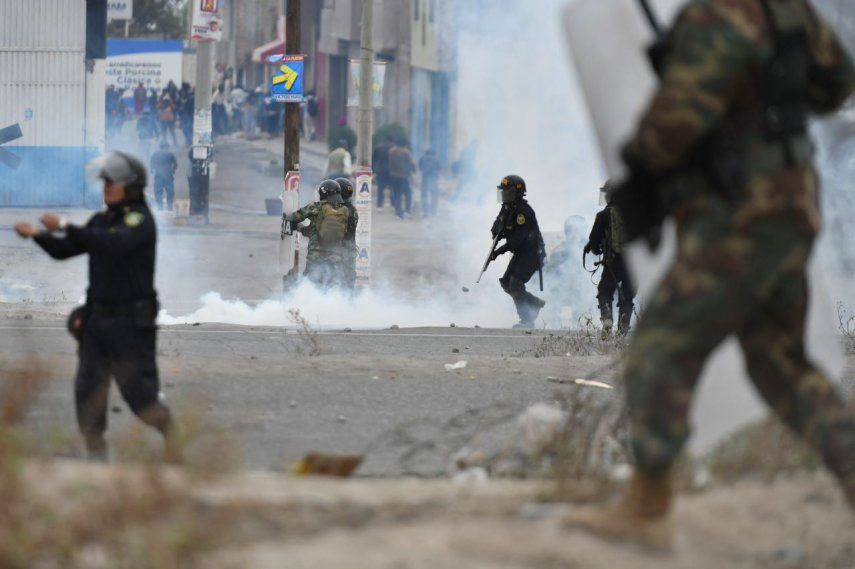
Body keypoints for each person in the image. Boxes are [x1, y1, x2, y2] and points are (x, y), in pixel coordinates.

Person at [563, 0, 855, 548]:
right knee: (781, 366)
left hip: (740, 219)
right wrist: (766, 96)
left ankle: (646, 512)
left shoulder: (716, 16)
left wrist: (641, 165)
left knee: (658, 349)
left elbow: (676, 121)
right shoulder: (789, 14)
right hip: (793, 207)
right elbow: (837, 84)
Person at [13, 151, 179, 463]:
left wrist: (64, 223)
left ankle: (172, 436)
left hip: (131, 324)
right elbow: (66, 249)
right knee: (88, 390)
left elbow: (111, 244)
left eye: (112, 182)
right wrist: (38, 236)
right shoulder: (102, 221)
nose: (106, 187)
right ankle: (96, 453)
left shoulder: (140, 220)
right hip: (98, 322)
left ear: (130, 186)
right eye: (103, 182)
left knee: (139, 396)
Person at [489, 175, 546, 328]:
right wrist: (496, 230)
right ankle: (534, 302)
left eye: (506, 191)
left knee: (515, 284)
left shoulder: (524, 212)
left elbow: (518, 239)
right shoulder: (507, 208)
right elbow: (498, 222)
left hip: (533, 253)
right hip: (521, 252)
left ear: (516, 192)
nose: (503, 194)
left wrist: (499, 251)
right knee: (506, 282)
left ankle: (527, 319)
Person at [584, 187, 636, 337]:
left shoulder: (603, 215)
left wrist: (595, 248)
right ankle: (623, 328)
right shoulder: (636, 213)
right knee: (627, 296)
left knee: (605, 292)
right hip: (634, 264)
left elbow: (594, 241)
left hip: (614, 262)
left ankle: (607, 319)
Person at [285, 180, 352, 290]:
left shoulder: (317, 207)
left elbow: (295, 217)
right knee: (333, 286)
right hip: (335, 256)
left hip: (316, 255)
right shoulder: (344, 210)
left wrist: (292, 223)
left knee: (308, 284)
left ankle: (304, 303)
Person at [336, 177, 360, 290]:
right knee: (347, 283)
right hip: (350, 252)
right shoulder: (352, 209)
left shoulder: (340, 211)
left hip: (340, 252)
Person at [388, 139, 416, 219]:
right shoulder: (405, 151)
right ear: (404, 144)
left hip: (394, 176)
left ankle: (398, 214)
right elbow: (411, 162)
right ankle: (407, 211)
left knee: (397, 195)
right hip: (404, 176)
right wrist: (414, 170)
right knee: (408, 194)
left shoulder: (391, 151)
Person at [150, 142, 177, 211]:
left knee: (158, 191)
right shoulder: (170, 154)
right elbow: (175, 164)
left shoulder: (155, 154)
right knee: (170, 191)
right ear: (167, 147)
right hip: (168, 176)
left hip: (158, 176)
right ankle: (170, 206)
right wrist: (173, 170)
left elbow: (151, 163)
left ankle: (160, 207)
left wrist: (152, 170)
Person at [418, 148, 441, 217]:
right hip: (433, 179)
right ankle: (433, 211)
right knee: (434, 195)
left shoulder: (422, 158)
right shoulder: (436, 159)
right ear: (434, 154)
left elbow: (420, 167)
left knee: (424, 195)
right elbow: (439, 168)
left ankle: (425, 212)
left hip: (425, 178)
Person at [372, 139, 393, 211]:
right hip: (391, 171)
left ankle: (379, 206)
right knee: (392, 188)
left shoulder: (378, 147)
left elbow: (374, 159)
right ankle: (393, 205)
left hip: (380, 170)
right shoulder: (392, 147)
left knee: (380, 189)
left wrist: (374, 170)